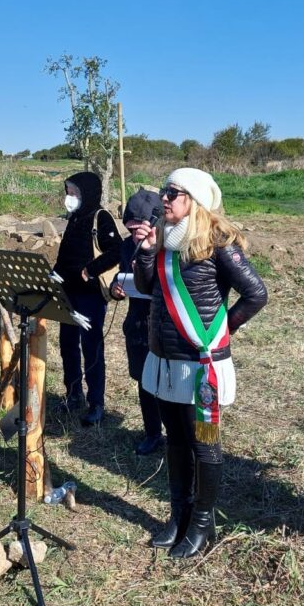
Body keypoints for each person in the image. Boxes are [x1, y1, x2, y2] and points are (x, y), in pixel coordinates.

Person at [134, 168, 268, 558]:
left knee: (204, 445)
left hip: (201, 364)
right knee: (175, 440)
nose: (163, 198)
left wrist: (224, 329)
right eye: (164, 190)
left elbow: (256, 294)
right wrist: (144, 252)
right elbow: (145, 287)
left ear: (193, 199)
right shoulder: (164, 238)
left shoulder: (218, 244)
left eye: (172, 192)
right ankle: (180, 513)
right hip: (163, 359)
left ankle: (203, 523)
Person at [53, 171, 121, 426]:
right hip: (67, 294)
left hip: (91, 295)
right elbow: (65, 256)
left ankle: (96, 403)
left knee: (91, 348)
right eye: (67, 192)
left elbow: (117, 251)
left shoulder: (100, 218)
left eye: (74, 193)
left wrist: (90, 270)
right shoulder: (73, 219)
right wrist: (52, 277)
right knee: (67, 345)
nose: (69, 197)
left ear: (88, 193)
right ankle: (73, 395)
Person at [109, 188, 165, 455]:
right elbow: (121, 275)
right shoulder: (126, 245)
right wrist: (115, 288)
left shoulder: (170, 244)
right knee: (143, 382)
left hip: (166, 325)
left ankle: (177, 435)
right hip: (137, 324)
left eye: (139, 229)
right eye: (130, 229)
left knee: (169, 384)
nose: (135, 235)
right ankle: (152, 433)